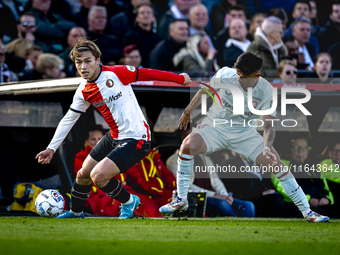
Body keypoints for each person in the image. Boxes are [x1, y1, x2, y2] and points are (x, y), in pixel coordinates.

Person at [159, 51, 329, 222]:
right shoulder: (225, 74)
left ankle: (308, 213)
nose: (239, 80)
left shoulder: (266, 91)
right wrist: (188, 111)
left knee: (276, 162)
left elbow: (269, 126)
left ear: (257, 76)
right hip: (215, 127)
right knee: (187, 145)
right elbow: (204, 91)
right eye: (238, 75)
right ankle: (181, 200)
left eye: (244, 77)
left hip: (244, 134)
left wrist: (267, 146)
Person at [35, 39, 191, 219]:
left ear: (97, 59)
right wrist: (51, 148)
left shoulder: (117, 73)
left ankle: (129, 201)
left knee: (98, 177)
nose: (83, 66)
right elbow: (69, 119)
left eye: (87, 61)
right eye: (79, 62)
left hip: (136, 137)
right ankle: (76, 212)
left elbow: (149, 73)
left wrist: (179, 78)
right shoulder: (83, 90)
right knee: (83, 174)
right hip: (114, 136)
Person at [167, 126, 255, 217]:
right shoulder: (173, 161)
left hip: (215, 196)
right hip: (195, 199)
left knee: (248, 206)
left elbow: (216, 181)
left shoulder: (205, 158)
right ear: (182, 139)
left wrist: (225, 196)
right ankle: (238, 227)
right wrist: (215, 195)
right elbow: (186, 186)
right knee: (222, 204)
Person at [272, 136, 332, 217]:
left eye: (303, 148)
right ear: (290, 149)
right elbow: (282, 187)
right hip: (295, 205)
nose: (300, 151)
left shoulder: (316, 168)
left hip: (320, 203)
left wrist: (328, 200)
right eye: (296, 147)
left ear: (308, 150)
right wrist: (308, 199)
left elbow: (327, 190)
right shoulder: (281, 164)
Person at [122, 3, 160, 68]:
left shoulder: (157, 38)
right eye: (142, 13)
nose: (146, 15)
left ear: (153, 17)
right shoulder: (130, 36)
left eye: (148, 13)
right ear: (137, 18)